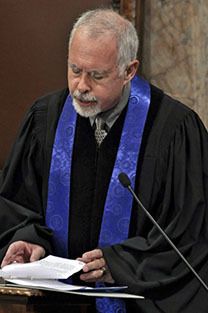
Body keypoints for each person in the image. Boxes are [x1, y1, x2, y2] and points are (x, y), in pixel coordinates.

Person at [0, 8, 208, 313]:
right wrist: (28, 240)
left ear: (129, 70)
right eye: (74, 69)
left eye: (97, 75)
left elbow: (189, 234)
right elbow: (17, 204)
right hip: (53, 304)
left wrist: (121, 264)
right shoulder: (45, 119)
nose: (81, 86)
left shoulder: (174, 131)